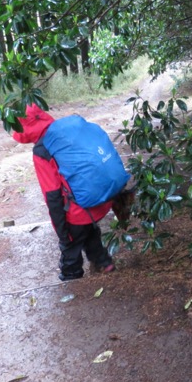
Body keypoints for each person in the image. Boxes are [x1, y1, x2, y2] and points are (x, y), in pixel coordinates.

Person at [13, 104, 129, 281]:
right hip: (99, 199)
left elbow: (52, 195)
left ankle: (73, 283)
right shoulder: (65, 130)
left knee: (70, 248)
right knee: (90, 233)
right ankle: (105, 264)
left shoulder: (42, 151)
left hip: (78, 210)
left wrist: (62, 232)